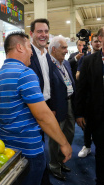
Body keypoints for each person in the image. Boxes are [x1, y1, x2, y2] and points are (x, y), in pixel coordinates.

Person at [0, 31, 72, 185]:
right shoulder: (25, 74)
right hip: (29, 150)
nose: (31, 53)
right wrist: (64, 143)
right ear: (20, 48)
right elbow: (43, 116)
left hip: (7, 149)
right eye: (29, 47)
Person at [76, 27, 104, 185]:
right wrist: (79, 113)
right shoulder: (88, 61)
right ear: (100, 39)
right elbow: (82, 89)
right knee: (101, 152)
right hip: (98, 116)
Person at [29, 18, 54, 185]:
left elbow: (49, 82)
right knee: (35, 150)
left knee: (42, 146)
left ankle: (43, 178)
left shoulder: (47, 55)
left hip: (47, 106)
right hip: (32, 110)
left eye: (45, 31)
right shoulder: (27, 54)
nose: (43, 35)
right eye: (39, 31)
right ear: (31, 34)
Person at [48, 36, 75, 181]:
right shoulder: (47, 65)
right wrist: (51, 107)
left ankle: (60, 160)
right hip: (57, 106)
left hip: (70, 103)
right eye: (63, 48)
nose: (67, 50)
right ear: (54, 49)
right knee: (55, 137)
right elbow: (47, 89)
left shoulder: (66, 64)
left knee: (70, 132)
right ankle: (53, 165)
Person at [76, 33, 101, 158]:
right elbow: (80, 83)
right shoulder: (86, 59)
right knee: (88, 126)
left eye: (98, 41)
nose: (97, 43)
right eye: (95, 41)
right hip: (90, 102)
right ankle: (87, 145)